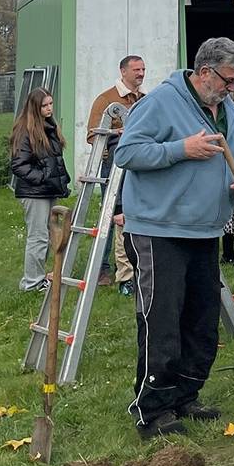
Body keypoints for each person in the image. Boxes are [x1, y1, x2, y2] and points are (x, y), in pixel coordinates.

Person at [114, 37, 234, 439]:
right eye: (229, 81)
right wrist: (181, 149)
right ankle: (153, 408)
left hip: (204, 229)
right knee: (161, 321)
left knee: (200, 321)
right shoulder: (161, 102)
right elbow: (126, 152)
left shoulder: (227, 109)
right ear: (205, 73)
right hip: (158, 229)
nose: (233, 90)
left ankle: (185, 394)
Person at [86, 55, 145, 293]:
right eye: (136, 70)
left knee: (135, 213)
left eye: (143, 69)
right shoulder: (106, 99)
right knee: (110, 215)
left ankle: (135, 265)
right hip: (114, 166)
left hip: (139, 164)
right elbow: (92, 135)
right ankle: (102, 267)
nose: (141, 74)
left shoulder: (144, 99)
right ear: (123, 72)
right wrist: (117, 134)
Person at [11, 88, 70, 292]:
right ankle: (32, 282)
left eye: (51, 104)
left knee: (46, 234)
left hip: (48, 190)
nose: (49, 108)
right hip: (34, 192)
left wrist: (59, 183)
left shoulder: (49, 127)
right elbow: (19, 165)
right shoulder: (25, 131)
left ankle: (38, 277)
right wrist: (42, 179)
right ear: (35, 107)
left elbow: (54, 161)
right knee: (38, 237)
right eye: (44, 105)